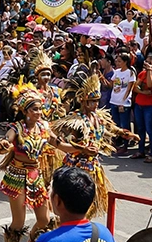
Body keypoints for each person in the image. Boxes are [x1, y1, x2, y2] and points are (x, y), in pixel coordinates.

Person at [54, 65, 137, 217]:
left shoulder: (98, 116)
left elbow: (110, 128)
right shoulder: (76, 121)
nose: (96, 105)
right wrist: (82, 149)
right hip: (76, 167)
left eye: (97, 101)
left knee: (91, 203)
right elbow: (61, 143)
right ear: (83, 101)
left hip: (93, 165)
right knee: (74, 204)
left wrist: (126, 133)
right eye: (92, 101)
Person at [0, 85, 56, 242]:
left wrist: (81, 149)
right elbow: (7, 138)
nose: (39, 112)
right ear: (25, 111)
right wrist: (5, 143)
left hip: (35, 176)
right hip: (17, 176)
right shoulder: (17, 128)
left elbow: (59, 143)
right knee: (18, 221)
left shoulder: (44, 127)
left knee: (45, 219)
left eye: (40, 108)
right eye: (34, 109)